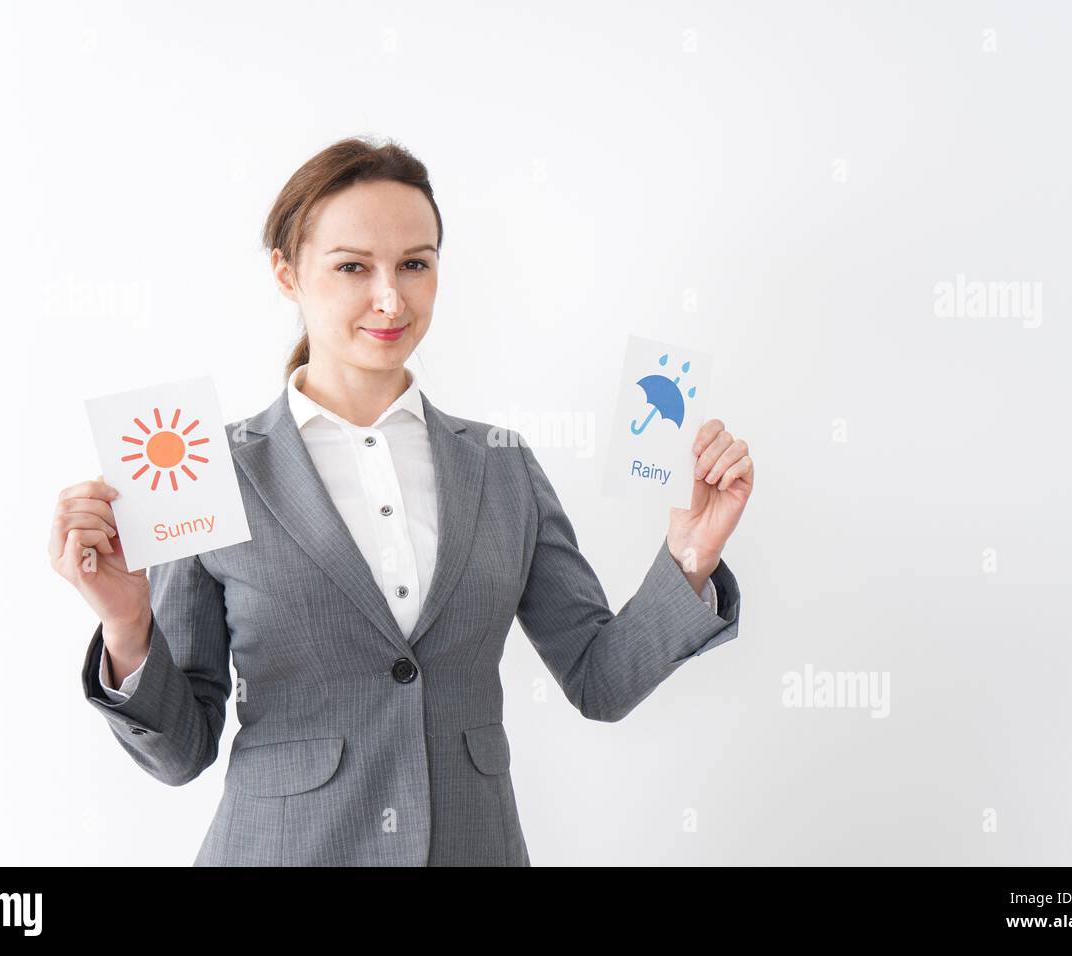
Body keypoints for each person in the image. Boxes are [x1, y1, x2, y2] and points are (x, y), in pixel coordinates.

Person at [49, 135, 754, 866]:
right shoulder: (208, 470)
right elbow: (180, 752)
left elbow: (600, 680)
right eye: (353, 266)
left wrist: (690, 557)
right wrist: (129, 627)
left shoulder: (502, 467)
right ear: (287, 274)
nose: (391, 298)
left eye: (415, 264)